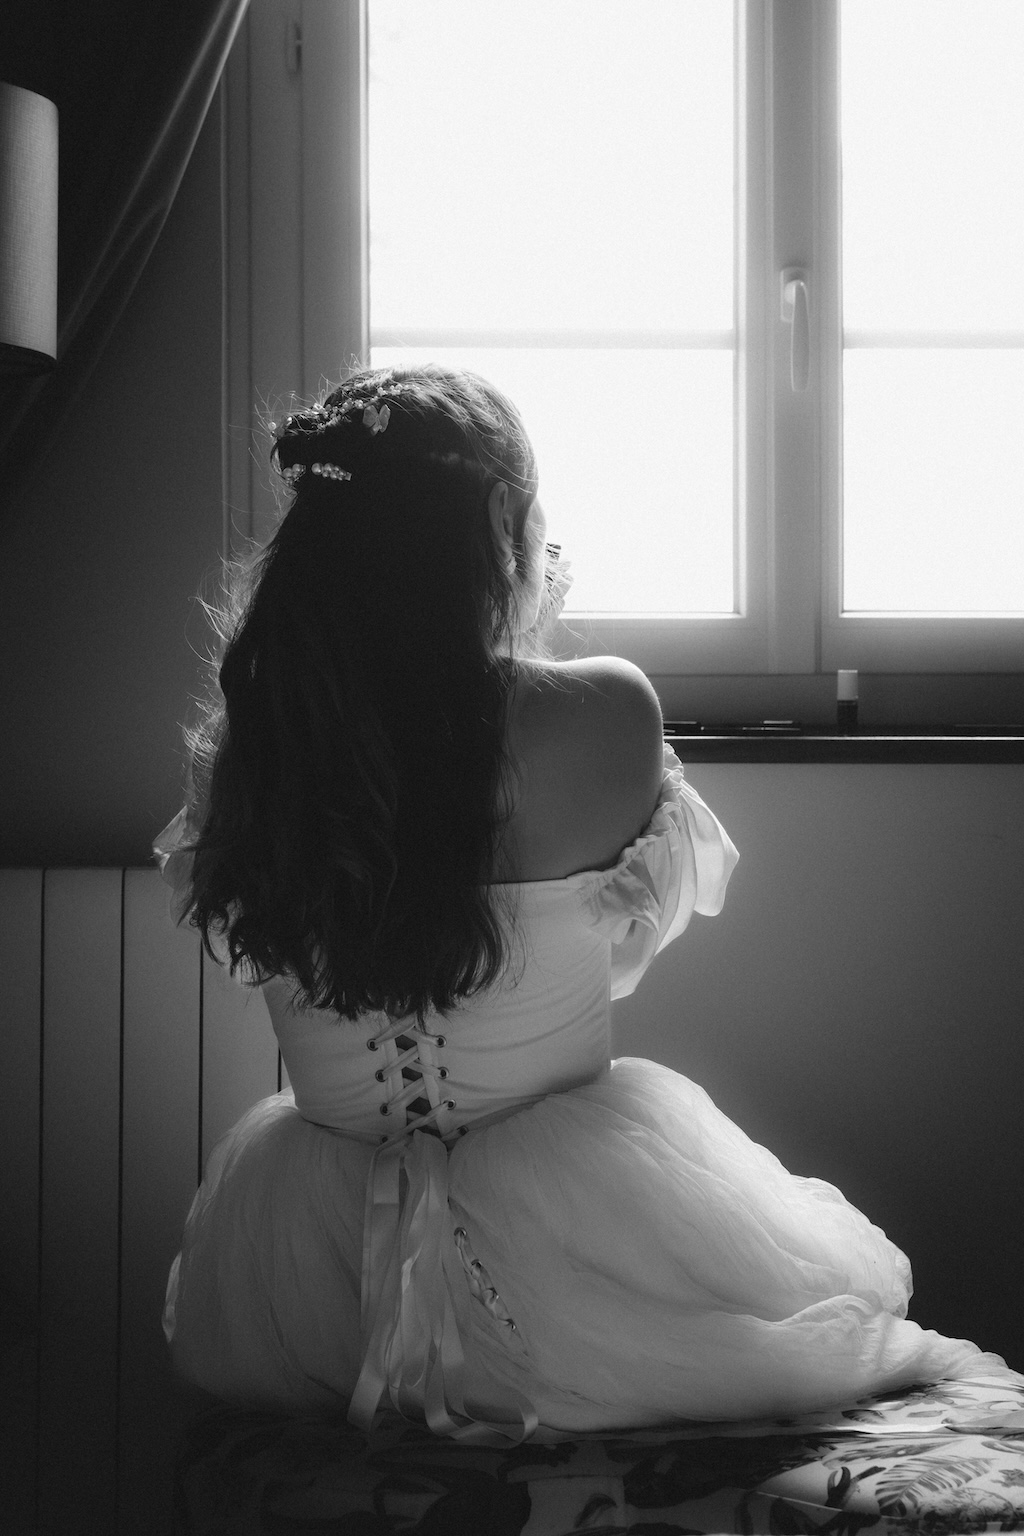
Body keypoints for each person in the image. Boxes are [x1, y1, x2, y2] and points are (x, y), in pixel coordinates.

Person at [156, 364, 1013, 1445]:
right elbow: (622, 953)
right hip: (571, 1263)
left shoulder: (248, 756)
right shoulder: (603, 712)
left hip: (310, 1286)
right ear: (498, 534)